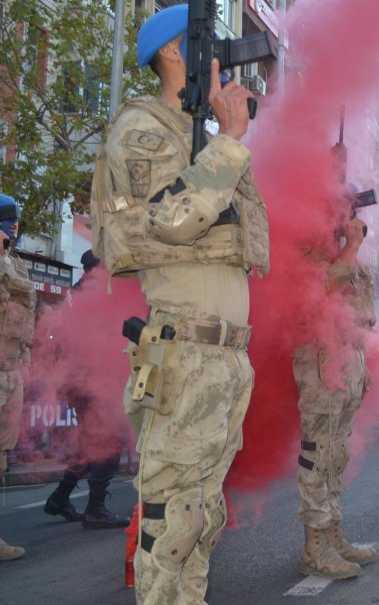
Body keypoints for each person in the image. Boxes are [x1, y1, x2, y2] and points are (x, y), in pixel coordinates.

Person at [90, 5, 269, 601]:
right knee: (172, 523)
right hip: (185, 352)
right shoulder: (143, 130)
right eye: (207, 44)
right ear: (173, 52)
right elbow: (173, 219)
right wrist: (230, 141)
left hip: (222, 356)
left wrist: (224, 138)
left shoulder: (199, 134)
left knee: (201, 519)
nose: (223, 54)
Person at [293, 214, 378, 578]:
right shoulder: (306, 254)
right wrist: (351, 248)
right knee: (320, 453)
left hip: (347, 358)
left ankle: (333, 535)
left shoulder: (346, 258)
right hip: (321, 361)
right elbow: (314, 297)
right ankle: (316, 545)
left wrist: (364, 363)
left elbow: (363, 316)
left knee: (337, 454)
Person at [44, 251, 129, 530]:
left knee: (89, 443)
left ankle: (60, 498)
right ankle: (95, 510)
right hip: (93, 381)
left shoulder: (76, 293)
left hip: (79, 382)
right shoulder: (95, 295)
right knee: (108, 440)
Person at [0, 194, 36, 562]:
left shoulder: (15, 263)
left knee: (1, 460)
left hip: (8, 373)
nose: (13, 225)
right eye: (6, 220)